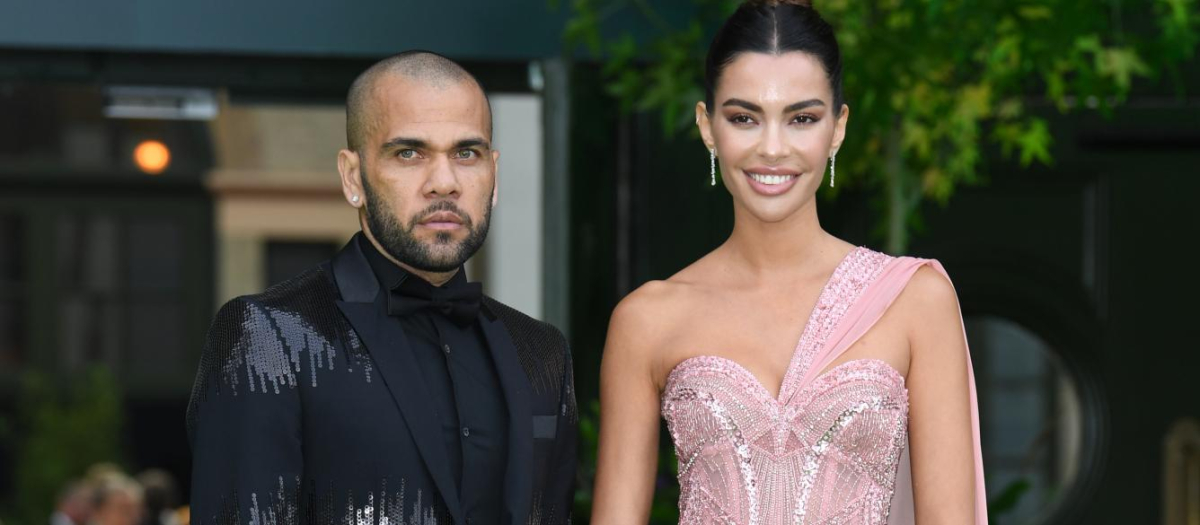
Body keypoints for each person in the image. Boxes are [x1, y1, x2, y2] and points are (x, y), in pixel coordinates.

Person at [590, 1, 987, 523]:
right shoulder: (647, 320)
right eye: (744, 117)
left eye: (801, 118)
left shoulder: (914, 299)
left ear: (838, 128)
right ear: (707, 127)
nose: (772, 148)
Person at [188, 51, 577, 525]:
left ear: (493, 175)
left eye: (466, 153)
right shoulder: (270, 336)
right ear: (354, 177)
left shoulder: (541, 352)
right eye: (409, 153)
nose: (444, 183)